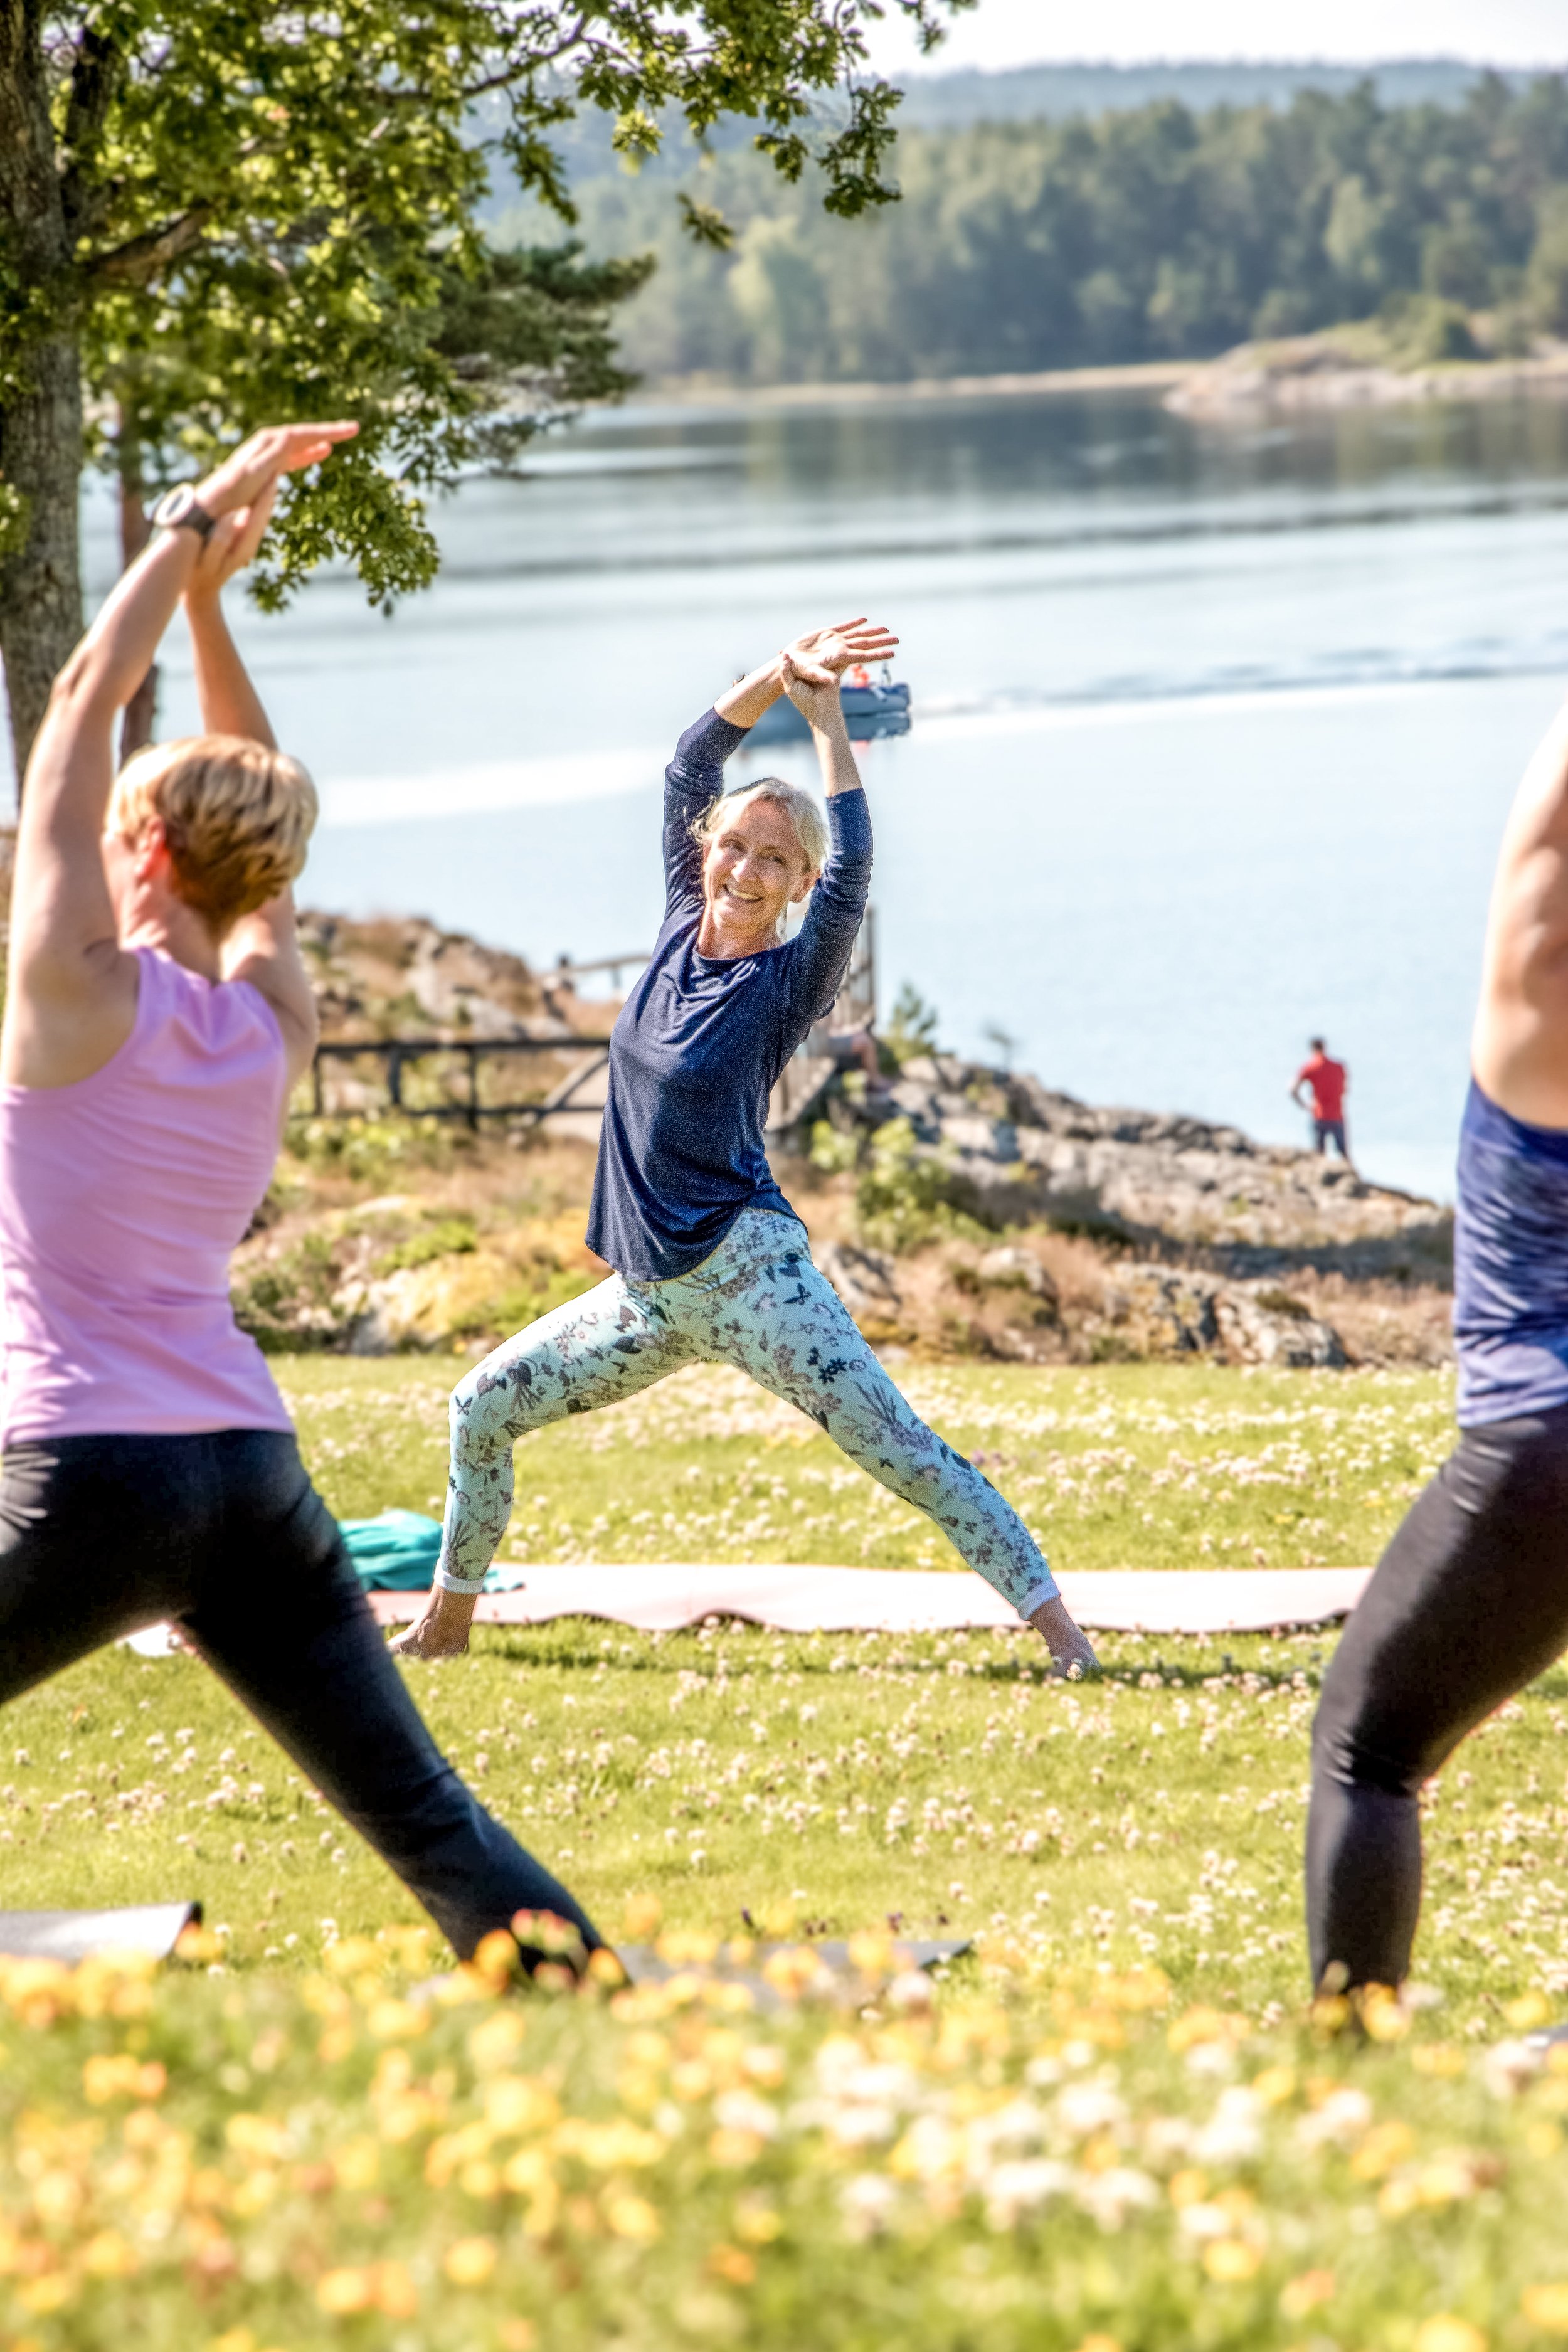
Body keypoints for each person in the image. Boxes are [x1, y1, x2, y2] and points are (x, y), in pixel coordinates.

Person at [0, 421, 605, 1975]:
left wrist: (194, 525)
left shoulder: (71, 998)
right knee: (419, 1809)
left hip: (90, 1476)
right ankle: (587, 1997)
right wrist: (212, 607)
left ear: (140, 844)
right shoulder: (270, 1020)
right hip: (251, 1474)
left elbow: (77, 700)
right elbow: (259, 836)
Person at [394, 621, 1099, 1677]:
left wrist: (825, 726)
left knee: (903, 1455)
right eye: (735, 845)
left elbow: (857, 865)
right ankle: (447, 1623)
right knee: (480, 1405)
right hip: (647, 1299)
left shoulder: (786, 983)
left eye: (776, 859)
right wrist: (779, 672)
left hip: (749, 1278)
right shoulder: (682, 918)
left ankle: (1067, 1640)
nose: (746, 867)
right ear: (705, 851)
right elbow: (689, 765)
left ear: (799, 882)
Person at [1306, 690, 1568, 1993]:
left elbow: (1541, 866)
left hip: (1540, 1445)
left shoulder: (1537, 1017)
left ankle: (1344, 2063)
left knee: (1370, 1744)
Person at [1291, 1036, 1354, 1168]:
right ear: (1325, 1047)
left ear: (1313, 1049)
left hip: (1319, 1115)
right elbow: (1345, 1090)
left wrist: (1305, 1106)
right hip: (1337, 1115)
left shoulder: (1311, 1067)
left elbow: (1293, 1090)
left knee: (1319, 1155)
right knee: (1344, 1154)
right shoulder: (1339, 1067)